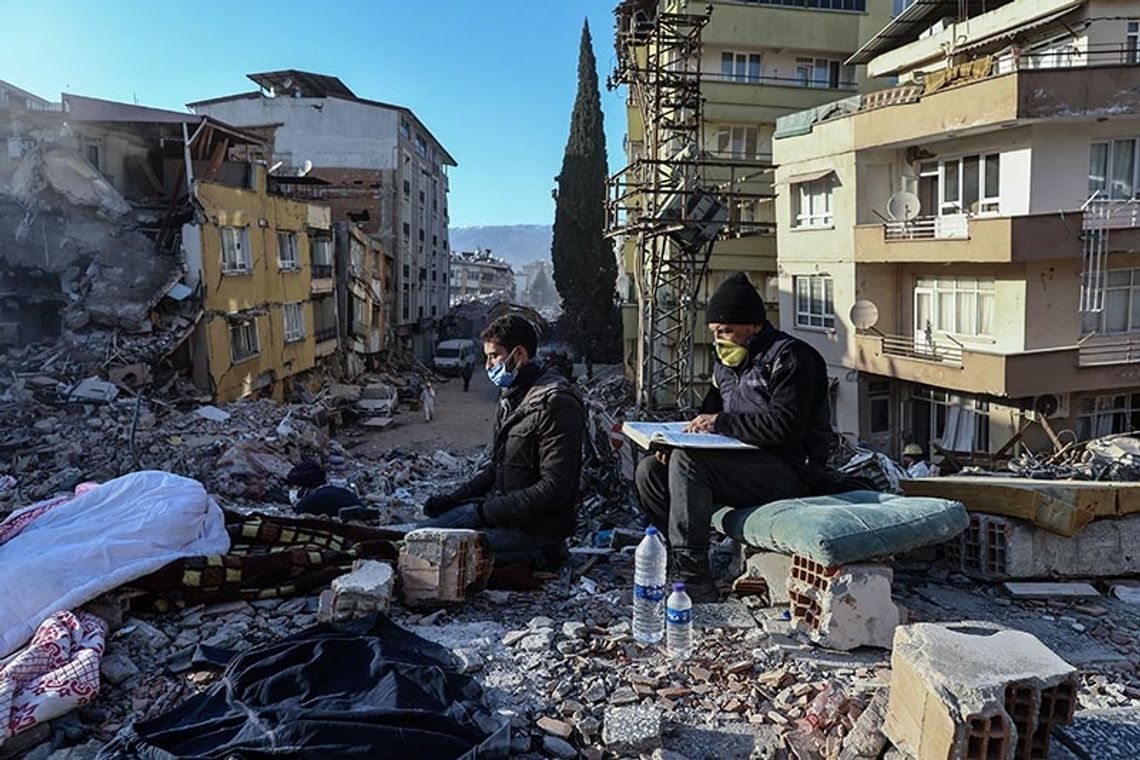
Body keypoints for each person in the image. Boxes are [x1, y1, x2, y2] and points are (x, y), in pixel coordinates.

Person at [634, 272, 854, 602]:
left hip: (789, 469)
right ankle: (680, 561)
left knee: (689, 463)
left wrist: (720, 423)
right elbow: (705, 418)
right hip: (741, 467)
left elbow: (784, 427)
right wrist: (672, 442)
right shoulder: (725, 365)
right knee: (651, 470)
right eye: (714, 333)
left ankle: (693, 582)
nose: (720, 339)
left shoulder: (791, 359)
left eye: (726, 331)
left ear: (753, 325)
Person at [418, 314, 585, 570]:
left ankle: (544, 555)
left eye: (493, 356)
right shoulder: (512, 398)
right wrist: (453, 499)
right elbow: (498, 468)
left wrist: (484, 513)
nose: (487, 365)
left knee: (439, 551)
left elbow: (554, 488)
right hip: (506, 516)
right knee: (421, 534)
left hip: (537, 529)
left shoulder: (556, 403)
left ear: (518, 355)